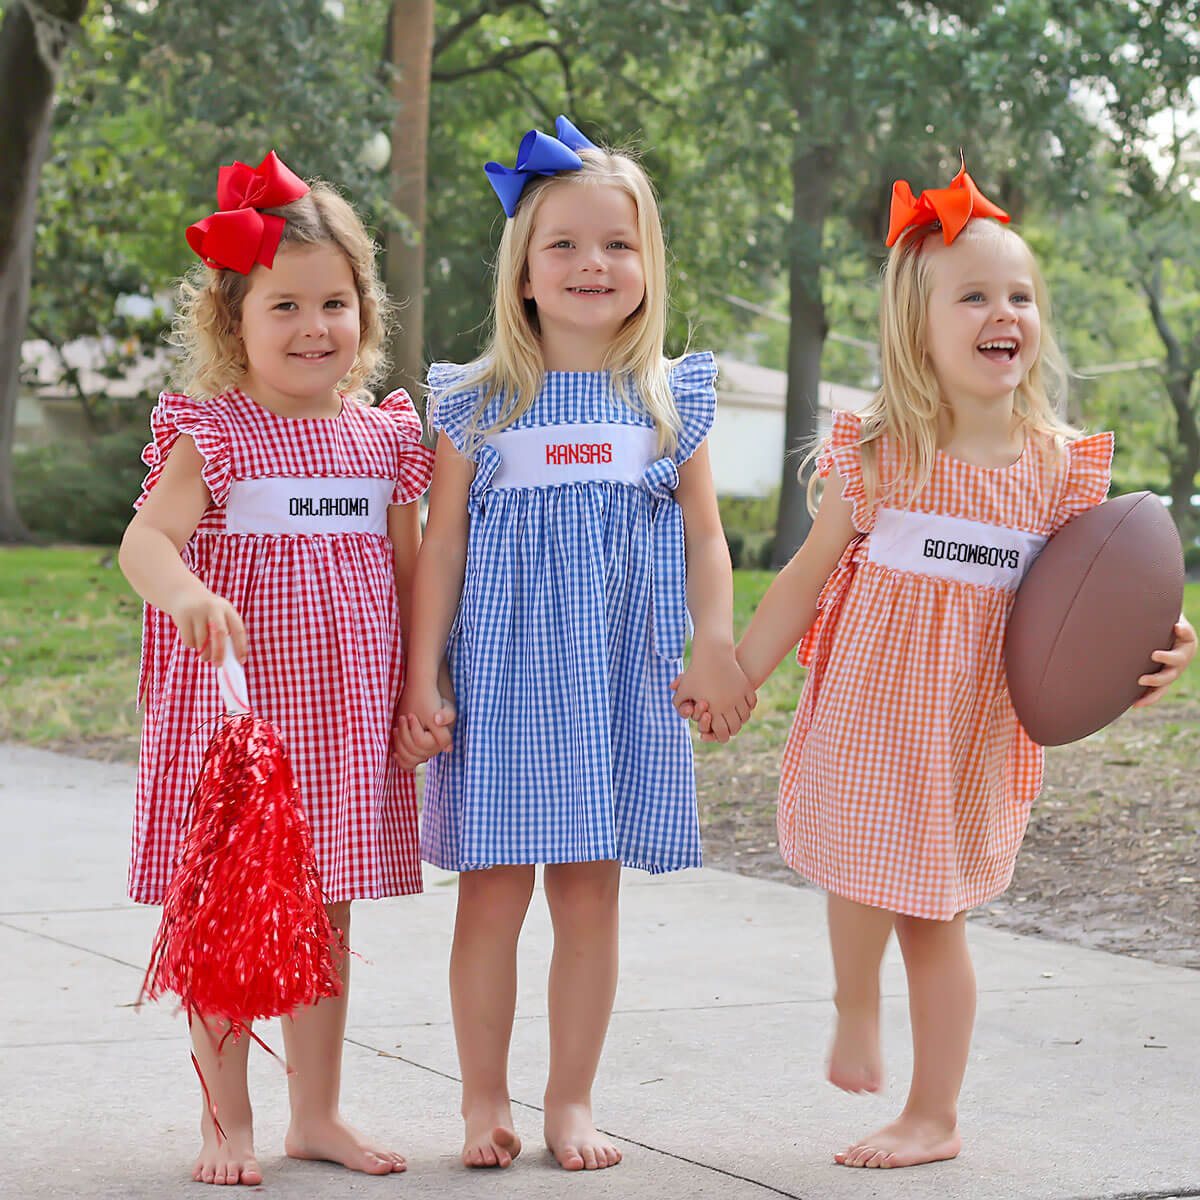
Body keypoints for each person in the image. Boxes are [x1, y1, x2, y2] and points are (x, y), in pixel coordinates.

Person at [721, 163, 1197, 1169]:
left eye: (1020, 295)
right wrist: (738, 670)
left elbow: (1104, 599)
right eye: (974, 296)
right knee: (854, 866)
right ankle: (856, 1003)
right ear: (917, 328)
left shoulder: (1057, 471)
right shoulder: (883, 455)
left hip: (970, 728)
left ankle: (933, 1113)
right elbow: (804, 578)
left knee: (935, 919)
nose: (1004, 313)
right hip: (870, 705)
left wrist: (1161, 646)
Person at [392, 117, 755, 1171]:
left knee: (591, 893)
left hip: (617, 676)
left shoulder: (667, 397)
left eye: (617, 243)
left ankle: (571, 1102)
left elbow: (705, 537)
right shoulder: (478, 398)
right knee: (493, 892)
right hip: (506, 679)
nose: (593, 263)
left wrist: (716, 641)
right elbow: (443, 545)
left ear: (648, 265)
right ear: (523, 269)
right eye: (565, 244)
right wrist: (424, 673)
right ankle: (481, 1102)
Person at [119, 151, 434, 1186]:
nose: (313, 327)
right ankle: (227, 1119)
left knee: (325, 909)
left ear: (365, 314)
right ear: (233, 322)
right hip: (240, 726)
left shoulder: (382, 441)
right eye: (284, 305)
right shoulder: (217, 434)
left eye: (334, 303)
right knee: (228, 913)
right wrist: (186, 594)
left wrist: (422, 686)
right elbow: (145, 543)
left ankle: (318, 1113)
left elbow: (410, 571)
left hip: (342, 721)